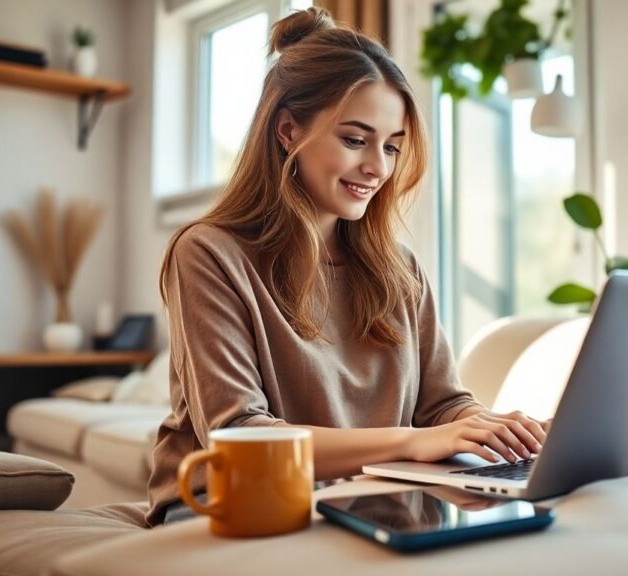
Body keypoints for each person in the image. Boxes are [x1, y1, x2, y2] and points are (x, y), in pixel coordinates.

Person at [146, 7, 548, 527]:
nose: (378, 168)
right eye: (355, 140)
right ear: (288, 130)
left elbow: (443, 405)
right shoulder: (208, 253)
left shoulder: (397, 268)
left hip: (373, 499)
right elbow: (242, 436)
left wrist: (495, 429)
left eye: (391, 147)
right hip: (240, 504)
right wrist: (416, 441)